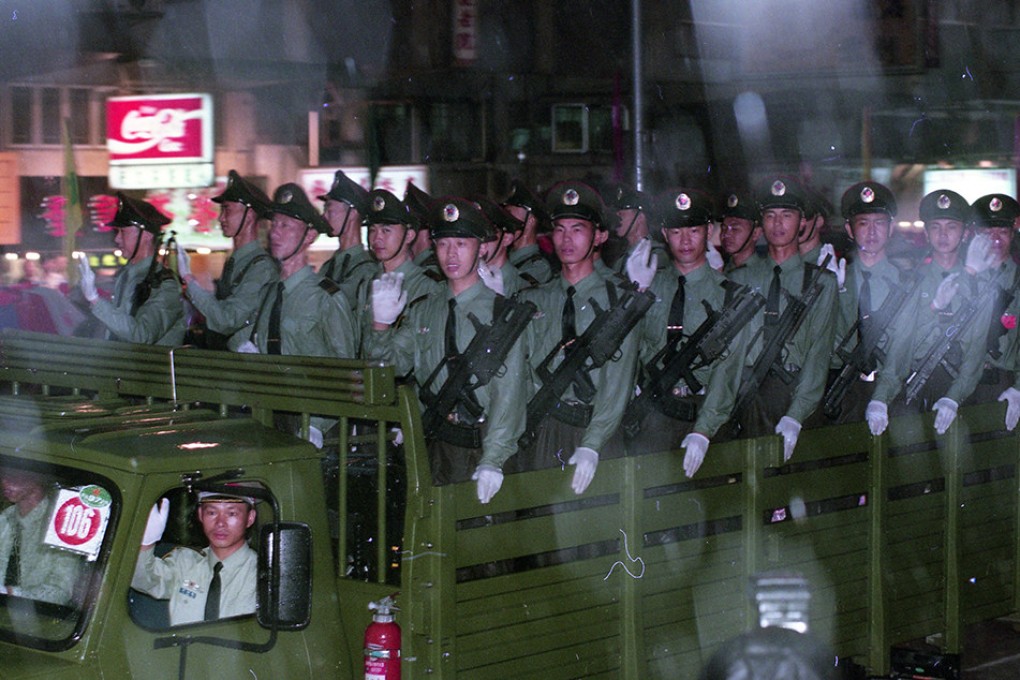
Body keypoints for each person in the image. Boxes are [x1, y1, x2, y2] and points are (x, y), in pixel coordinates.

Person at [366, 197, 529, 503]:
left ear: (481, 248)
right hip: (433, 444)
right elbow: (393, 368)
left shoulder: (502, 313)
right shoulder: (425, 309)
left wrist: (493, 460)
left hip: (482, 446)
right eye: (443, 244)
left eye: (462, 244)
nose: (451, 254)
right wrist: (380, 327)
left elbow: (509, 395)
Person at [517, 180, 643, 494]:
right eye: (559, 229)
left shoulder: (620, 302)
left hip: (598, 430)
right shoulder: (537, 298)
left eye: (577, 229)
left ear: (599, 235)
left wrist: (592, 443)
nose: (566, 239)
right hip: (545, 429)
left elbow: (617, 383)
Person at [626, 189, 752, 478]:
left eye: (694, 230)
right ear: (664, 233)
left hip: (701, 412)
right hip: (652, 412)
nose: (685, 241)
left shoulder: (730, 296)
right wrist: (635, 294)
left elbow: (728, 370)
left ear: (708, 231)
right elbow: (631, 347)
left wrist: (704, 430)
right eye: (676, 231)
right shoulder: (651, 286)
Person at [866, 189, 995, 435]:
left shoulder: (980, 282)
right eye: (936, 227)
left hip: (961, 387)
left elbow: (976, 350)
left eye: (951, 227)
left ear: (965, 233)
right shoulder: (912, 281)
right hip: (916, 379)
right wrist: (880, 397)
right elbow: (901, 344)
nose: (943, 235)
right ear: (926, 233)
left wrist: (954, 397)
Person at [729, 176, 838, 460]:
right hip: (748, 397)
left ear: (802, 222)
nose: (778, 225)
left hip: (795, 394)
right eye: (770, 216)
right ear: (761, 223)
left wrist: (796, 414)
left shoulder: (821, 283)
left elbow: (818, 354)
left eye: (787, 215)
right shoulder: (739, 279)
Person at [822, 181, 914, 424]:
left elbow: (901, 348)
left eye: (879, 223)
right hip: (843, 389)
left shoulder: (905, 282)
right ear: (849, 230)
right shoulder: (838, 278)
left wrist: (881, 398)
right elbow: (832, 342)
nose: (872, 232)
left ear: (891, 228)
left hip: (889, 391)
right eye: (863, 223)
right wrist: (838, 292)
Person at [239, 183, 358, 358]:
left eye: (285, 226)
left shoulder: (325, 297)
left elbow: (346, 367)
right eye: (274, 224)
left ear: (309, 236)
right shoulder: (268, 293)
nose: (274, 233)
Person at [178, 170, 279, 350]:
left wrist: (189, 281)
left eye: (228, 210)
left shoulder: (260, 267)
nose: (221, 218)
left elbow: (227, 319)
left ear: (249, 216)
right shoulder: (238, 262)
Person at [131, 489, 258, 626]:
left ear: (250, 518)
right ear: (200, 515)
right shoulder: (185, 562)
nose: (220, 523)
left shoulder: (263, 572)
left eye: (231, 513)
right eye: (212, 513)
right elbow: (146, 580)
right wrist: (146, 543)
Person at [78, 192, 185, 345]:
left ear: (146, 235)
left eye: (123, 232)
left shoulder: (164, 284)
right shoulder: (126, 275)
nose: (117, 239)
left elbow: (142, 334)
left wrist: (95, 300)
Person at [357, 189, 443, 346]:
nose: (377, 238)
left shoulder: (427, 286)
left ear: (409, 235)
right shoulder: (368, 282)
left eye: (386, 230)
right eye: (372, 230)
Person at [0, 468, 79, 605]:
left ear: (36, 477)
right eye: (2, 476)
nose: (4, 482)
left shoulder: (61, 525)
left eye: (12, 475)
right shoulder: (5, 518)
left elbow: (61, 591)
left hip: (40, 619)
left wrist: (11, 593)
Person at [318, 170, 376, 307]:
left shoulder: (366, 269)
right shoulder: (329, 265)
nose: (324, 216)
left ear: (352, 213)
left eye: (329, 210)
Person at [472, 195, 537, 297]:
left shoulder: (523, 289)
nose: (479, 241)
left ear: (506, 239)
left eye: (488, 233)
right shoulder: (461, 283)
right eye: (472, 234)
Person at [502, 179, 556, 286]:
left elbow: (511, 290)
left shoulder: (539, 268)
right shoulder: (509, 257)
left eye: (510, 215)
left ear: (530, 221)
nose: (505, 220)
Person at [717, 190, 762, 273]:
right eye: (724, 228)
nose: (726, 234)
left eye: (735, 229)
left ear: (756, 233)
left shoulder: (767, 275)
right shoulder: (720, 273)